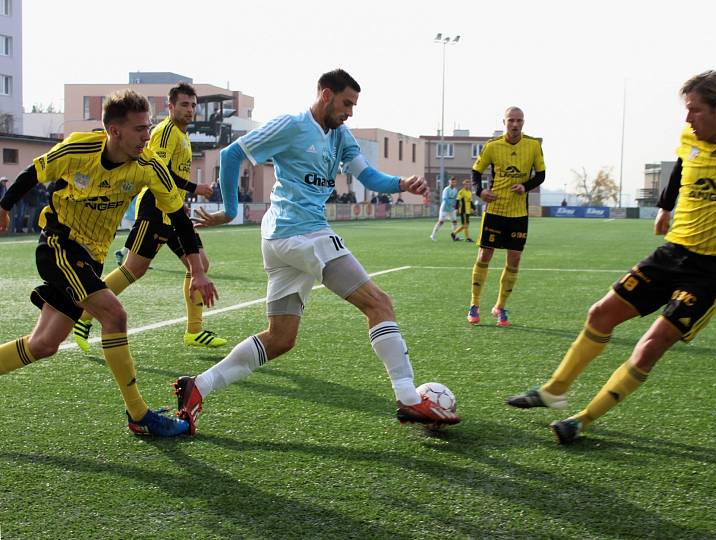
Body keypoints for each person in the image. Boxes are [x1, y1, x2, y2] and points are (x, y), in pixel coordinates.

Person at [507, 70, 716, 445]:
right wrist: (665, 207)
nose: (687, 119)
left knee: (650, 344)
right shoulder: (688, 137)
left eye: (694, 110)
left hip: (713, 269)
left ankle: (583, 419)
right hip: (672, 252)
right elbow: (681, 165)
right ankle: (553, 390)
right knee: (600, 314)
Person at [178, 68, 460, 434]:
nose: (350, 112)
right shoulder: (292, 126)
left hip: (282, 242)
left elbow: (368, 176)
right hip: (302, 234)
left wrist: (401, 183)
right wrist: (230, 211)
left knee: (280, 339)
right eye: (347, 103)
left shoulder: (340, 135)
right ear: (326, 94)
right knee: (379, 304)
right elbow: (232, 155)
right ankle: (408, 398)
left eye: (354, 105)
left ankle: (197, 386)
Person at [0, 89, 218, 436]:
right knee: (115, 315)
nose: (147, 135)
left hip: (92, 258)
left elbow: (177, 216)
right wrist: (5, 206)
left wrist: (198, 269)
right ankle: (139, 415)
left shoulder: (148, 166)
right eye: (139, 129)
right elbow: (33, 172)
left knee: (44, 344)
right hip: (60, 244)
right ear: (114, 130)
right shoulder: (79, 149)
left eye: (148, 127)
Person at [72, 83, 225, 352]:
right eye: (184, 105)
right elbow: (160, 172)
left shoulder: (182, 135)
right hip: (155, 208)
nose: (189, 110)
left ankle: (194, 330)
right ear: (171, 106)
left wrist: (182, 200)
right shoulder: (165, 132)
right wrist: (195, 188)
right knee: (133, 268)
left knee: (199, 263)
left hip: (173, 210)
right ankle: (84, 314)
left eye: (192, 105)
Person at [467, 107, 545, 327]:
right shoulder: (492, 146)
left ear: (523, 123)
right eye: (511, 120)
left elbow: (541, 174)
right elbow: (476, 172)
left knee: (515, 259)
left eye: (519, 120)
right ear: (504, 122)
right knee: (485, 255)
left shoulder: (533, 146)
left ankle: (500, 307)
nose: (515, 124)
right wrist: (480, 192)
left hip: (519, 213)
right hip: (495, 211)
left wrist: (526, 186)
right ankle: (474, 304)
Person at [430, 177, 460, 241]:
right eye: (452, 182)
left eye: (454, 182)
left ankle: (455, 236)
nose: (453, 183)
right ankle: (433, 235)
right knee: (441, 222)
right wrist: (451, 204)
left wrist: (456, 206)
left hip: (451, 209)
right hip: (444, 208)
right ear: (449, 182)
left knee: (454, 222)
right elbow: (445, 199)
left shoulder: (455, 190)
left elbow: (455, 198)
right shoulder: (446, 189)